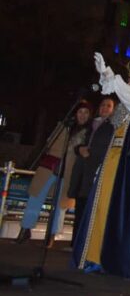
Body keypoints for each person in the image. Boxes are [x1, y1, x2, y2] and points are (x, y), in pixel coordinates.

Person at [73, 54, 130, 281]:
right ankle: (95, 256)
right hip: (112, 165)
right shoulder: (127, 107)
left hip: (127, 171)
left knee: (118, 211)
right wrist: (107, 77)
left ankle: (115, 258)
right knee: (101, 209)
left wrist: (111, 76)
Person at [17, 101, 92, 246]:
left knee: (60, 204)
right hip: (50, 166)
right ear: (74, 113)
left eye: (86, 113)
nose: (82, 115)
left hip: (69, 170)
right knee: (36, 197)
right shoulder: (63, 126)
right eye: (80, 112)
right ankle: (25, 229)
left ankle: (51, 235)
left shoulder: (89, 132)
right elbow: (49, 143)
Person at [68, 97, 116, 244]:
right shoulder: (90, 124)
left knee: (93, 208)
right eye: (102, 105)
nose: (105, 108)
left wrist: (92, 153)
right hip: (82, 168)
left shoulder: (113, 126)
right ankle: (76, 241)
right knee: (80, 206)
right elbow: (78, 142)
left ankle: (89, 243)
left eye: (109, 106)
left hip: (97, 170)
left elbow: (110, 148)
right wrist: (79, 149)